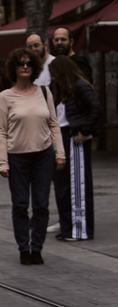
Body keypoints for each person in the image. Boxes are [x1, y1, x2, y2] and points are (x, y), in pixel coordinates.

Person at [0, 48, 65, 265]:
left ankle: (37, 248)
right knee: (20, 204)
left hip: (43, 156)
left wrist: (60, 153)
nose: (25, 66)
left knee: (42, 205)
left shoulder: (44, 92)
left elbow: (54, 123)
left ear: (34, 67)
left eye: (28, 63)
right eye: (20, 63)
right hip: (17, 157)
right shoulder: (5, 97)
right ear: (13, 68)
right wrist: (2, 162)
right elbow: (0, 130)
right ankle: (23, 248)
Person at [49, 56, 101, 241]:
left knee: (77, 185)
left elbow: (95, 107)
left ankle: (79, 229)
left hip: (74, 138)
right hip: (63, 137)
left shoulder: (80, 86)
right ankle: (68, 227)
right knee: (63, 185)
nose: (53, 78)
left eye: (55, 74)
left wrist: (84, 131)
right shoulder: (65, 90)